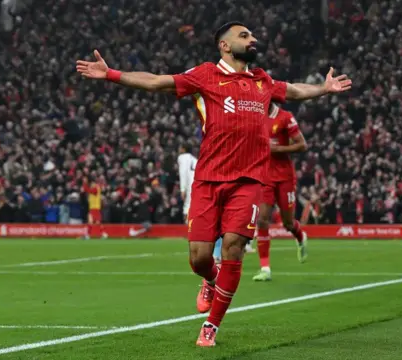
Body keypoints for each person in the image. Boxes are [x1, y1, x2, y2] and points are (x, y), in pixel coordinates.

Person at [76, 21, 351, 347]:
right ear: (224, 45)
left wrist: (323, 87)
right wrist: (111, 74)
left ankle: (211, 326)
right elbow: (157, 82)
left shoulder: (262, 80)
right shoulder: (206, 75)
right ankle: (209, 278)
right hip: (208, 180)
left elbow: (292, 90)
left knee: (234, 246)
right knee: (199, 258)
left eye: (252, 35)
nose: (253, 39)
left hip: (249, 181)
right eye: (244, 35)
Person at [253, 103, 308, 281]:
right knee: (262, 220)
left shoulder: (285, 117)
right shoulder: (254, 115)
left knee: (288, 223)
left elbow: (302, 145)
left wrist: (279, 149)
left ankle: (300, 236)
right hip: (264, 177)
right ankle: (265, 269)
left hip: (284, 177)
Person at [177, 142, 223, 262]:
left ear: (183, 148)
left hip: (194, 187)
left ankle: (202, 247)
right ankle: (216, 252)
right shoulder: (194, 159)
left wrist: (182, 189)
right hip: (204, 185)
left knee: (192, 217)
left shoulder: (182, 157)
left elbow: (183, 173)